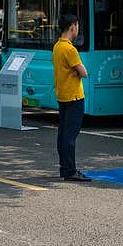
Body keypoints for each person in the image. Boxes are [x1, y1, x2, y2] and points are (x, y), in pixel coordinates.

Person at [53, 13, 90, 181]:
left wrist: (76, 70)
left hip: (62, 95)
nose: (78, 29)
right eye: (77, 26)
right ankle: (70, 170)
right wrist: (78, 70)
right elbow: (84, 72)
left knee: (63, 134)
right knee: (70, 136)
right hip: (74, 97)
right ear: (72, 27)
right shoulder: (70, 49)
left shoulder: (57, 47)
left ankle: (64, 167)